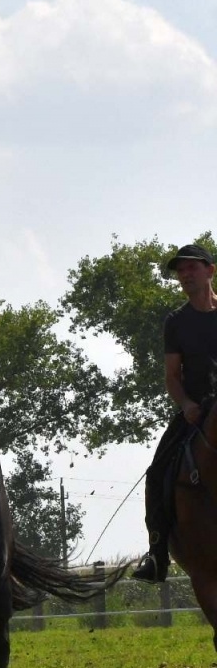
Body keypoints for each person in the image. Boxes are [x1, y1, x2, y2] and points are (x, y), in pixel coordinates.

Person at [132, 244, 217, 581]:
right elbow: (172, 376)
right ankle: (157, 554)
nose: (185, 275)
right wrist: (186, 405)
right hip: (196, 413)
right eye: (180, 271)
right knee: (157, 473)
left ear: (210, 271)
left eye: (191, 268)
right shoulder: (176, 322)